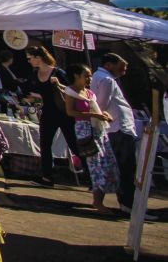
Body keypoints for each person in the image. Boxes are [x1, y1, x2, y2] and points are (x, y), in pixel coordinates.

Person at [91, 53, 149, 218]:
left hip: (116, 128)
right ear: (109, 64)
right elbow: (101, 104)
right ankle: (127, 204)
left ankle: (123, 202)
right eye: (122, 67)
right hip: (118, 128)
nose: (124, 71)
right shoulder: (106, 80)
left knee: (119, 167)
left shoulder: (101, 77)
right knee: (126, 168)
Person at [63, 62, 119, 215]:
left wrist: (103, 115)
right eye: (86, 76)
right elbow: (70, 112)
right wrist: (94, 115)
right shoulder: (71, 91)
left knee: (106, 163)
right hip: (85, 131)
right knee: (96, 165)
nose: (89, 79)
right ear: (77, 76)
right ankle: (98, 201)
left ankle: (99, 198)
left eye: (90, 76)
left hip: (98, 130)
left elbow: (97, 109)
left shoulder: (90, 93)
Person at [24, 44, 78, 186]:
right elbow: (36, 93)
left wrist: (59, 85)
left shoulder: (57, 73)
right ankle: (47, 177)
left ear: (38, 58)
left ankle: (92, 176)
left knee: (74, 144)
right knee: (45, 144)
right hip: (48, 112)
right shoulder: (34, 75)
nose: (28, 61)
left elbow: (73, 91)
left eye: (30, 58)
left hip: (64, 113)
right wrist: (33, 97)